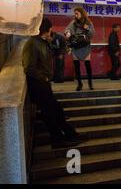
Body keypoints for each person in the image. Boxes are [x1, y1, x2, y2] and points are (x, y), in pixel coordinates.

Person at [23, 18, 86, 149]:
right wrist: (44, 78)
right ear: (45, 29)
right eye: (50, 28)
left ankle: (70, 134)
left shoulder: (42, 42)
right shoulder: (32, 43)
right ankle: (58, 139)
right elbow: (29, 67)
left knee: (57, 111)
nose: (51, 30)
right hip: (39, 85)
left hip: (44, 84)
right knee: (50, 114)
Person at [65, 7, 95, 91]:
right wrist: (67, 32)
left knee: (88, 65)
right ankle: (79, 84)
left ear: (82, 13)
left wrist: (87, 28)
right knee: (76, 66)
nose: (75, 15)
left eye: (77, 13)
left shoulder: (88, 22)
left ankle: (90, 83)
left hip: (85, 46)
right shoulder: (73, 23)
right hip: (75, 46)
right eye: (75, 13)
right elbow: (67, 29)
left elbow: (92, 34)